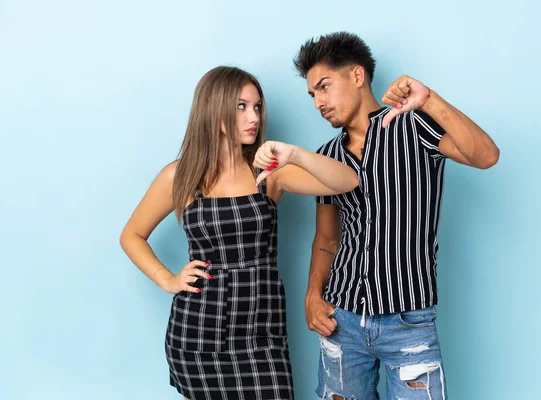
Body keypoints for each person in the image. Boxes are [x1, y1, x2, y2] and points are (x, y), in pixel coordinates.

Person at [119, 66, 359, 400]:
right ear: (214, 110)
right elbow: (131, 235)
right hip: (198, 332)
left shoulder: (269, 173)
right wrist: (167, 279)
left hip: (262, 330)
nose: (254, 117)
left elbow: (348, 181)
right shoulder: (180, 176)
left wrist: (296, 155)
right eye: (241, 106)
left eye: (257, 106)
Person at [294, 32, 500, 399]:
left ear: (357, 76)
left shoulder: (412, 125)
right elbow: (327, 238)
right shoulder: (325, 155)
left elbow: (485, 156)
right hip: (341, 321)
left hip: (408, 322)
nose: (318, 102)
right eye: (312, 95)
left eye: (324, 87)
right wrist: (312, 294)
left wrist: (429, 100)